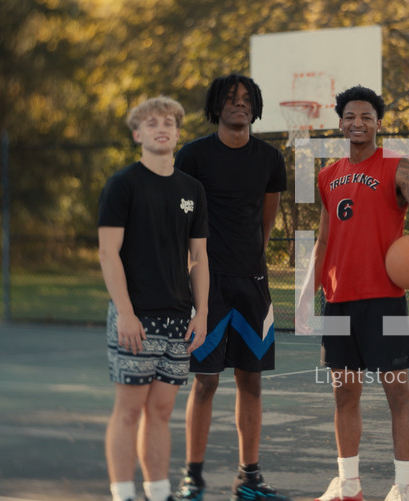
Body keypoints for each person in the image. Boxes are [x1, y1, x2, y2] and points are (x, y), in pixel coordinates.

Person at [295, 85, 409, 501]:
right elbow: (323, 240)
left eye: (366, 117)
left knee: (398, 393)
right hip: (337, 301)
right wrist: (305, 294)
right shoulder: (327, 176)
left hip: (384, 301)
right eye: (350, 116)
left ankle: (402, 488)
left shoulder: (397, 166)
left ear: (378, 123)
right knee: (344, 394)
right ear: (340, 122)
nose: (358, 123)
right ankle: (348, 484)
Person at [172, 74, 290, 501]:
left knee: (252, 381)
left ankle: (249, 477)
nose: (239, 104)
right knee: (205, 381)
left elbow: (266, 221)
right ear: (216, 106)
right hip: (206, 286)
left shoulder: (270, 159)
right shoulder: (193, 157)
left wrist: (249, 260)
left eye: (246, 99)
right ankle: (193, 476)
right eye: (230, 98)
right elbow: (180, 220)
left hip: (252, 285)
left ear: (256, 107)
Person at [98, 96, 209, 501]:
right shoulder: (122, 185)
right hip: (136, 318)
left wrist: (202, 313)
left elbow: (198, 257)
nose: (161, 127)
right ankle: (123, 494)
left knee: (161, 412)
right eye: (151, 123)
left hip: (179, 319)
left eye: (168, 122)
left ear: (178, 133)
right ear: (137, 134)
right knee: (128, 411)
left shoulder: (192, 190)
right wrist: (125, 313)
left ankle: (159, 493)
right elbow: (108, 253)